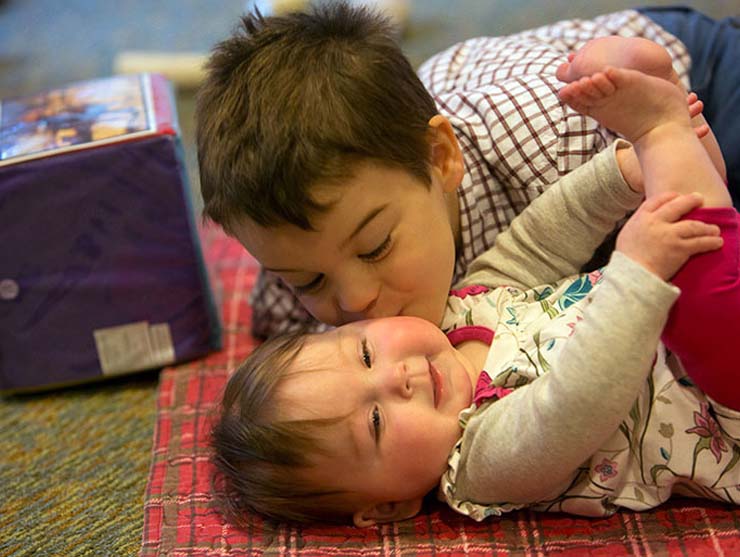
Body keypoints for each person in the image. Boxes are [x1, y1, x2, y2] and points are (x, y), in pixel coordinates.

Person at [209, 38, 740, 526]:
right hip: (720, 405)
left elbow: (537, 240)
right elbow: (573, 406)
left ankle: (670, 145)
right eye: (375, 422)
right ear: (392, 503)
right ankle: (665, 133)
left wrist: (618, 176)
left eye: (367, 354)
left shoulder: (461, 309)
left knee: (686, 239)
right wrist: (636, 272)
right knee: (698, 291)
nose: (399, 379)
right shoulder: (480, 460)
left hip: (687, 322)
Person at [196, 3, 738, 339]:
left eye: (376, 246)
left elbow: (692, 223)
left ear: (441, 159)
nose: (354, 300)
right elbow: (280, 331)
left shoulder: (555, 148)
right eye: (309, 281)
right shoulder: (297, 243)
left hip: (698, 82)